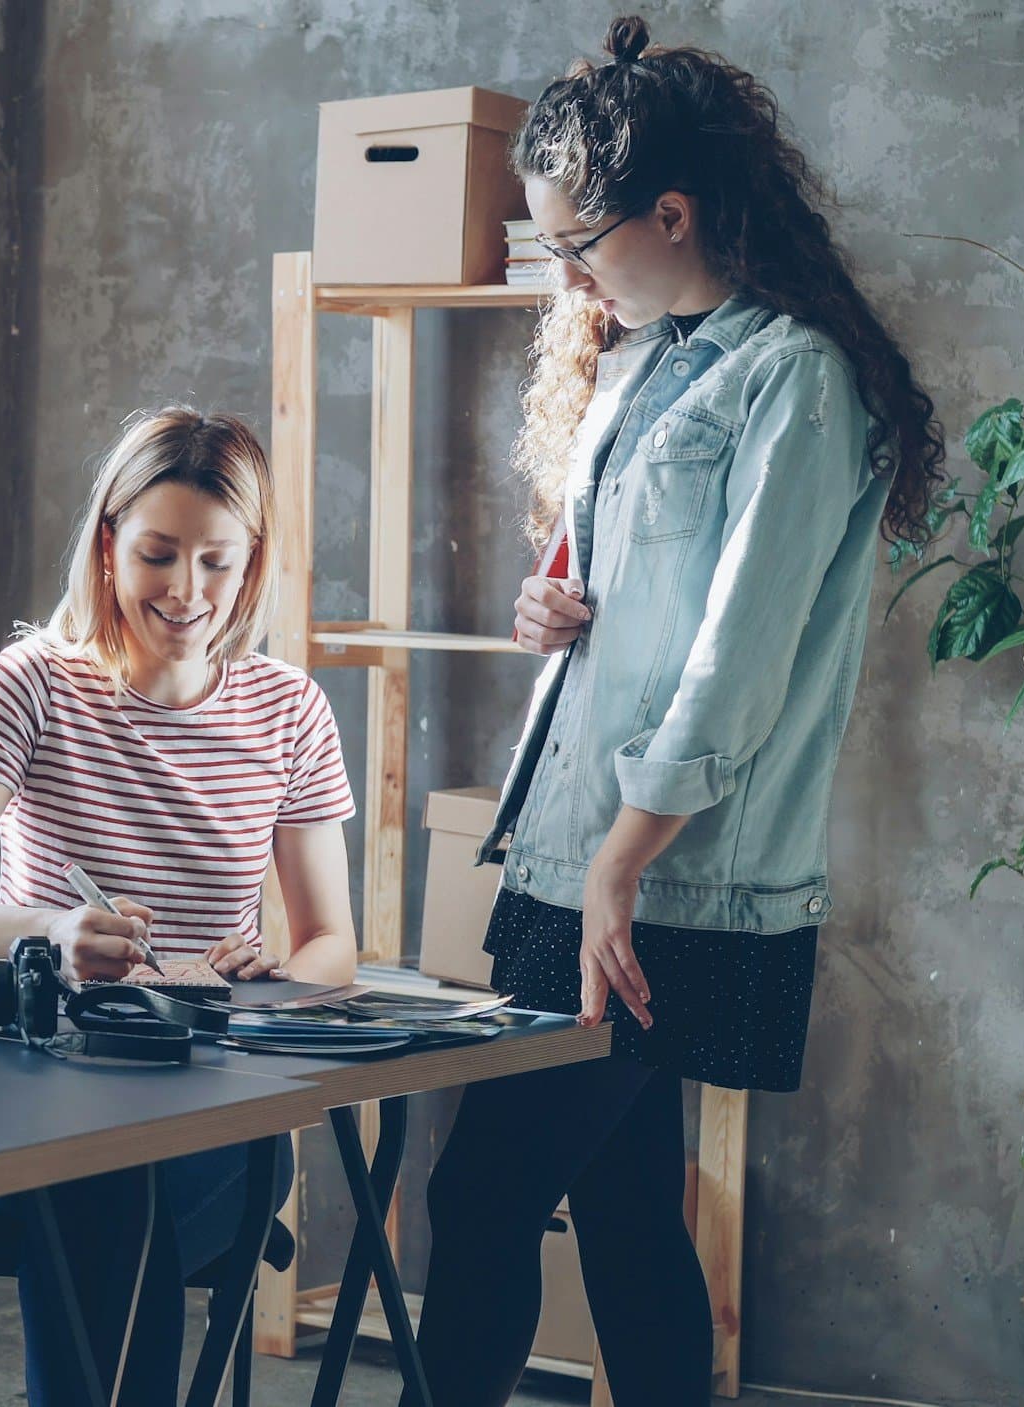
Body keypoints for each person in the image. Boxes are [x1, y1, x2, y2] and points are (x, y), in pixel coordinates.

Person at [411, 15, 944, 1406]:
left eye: (579, 244)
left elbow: (739, 657)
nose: (567, 275)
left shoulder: (798, 379)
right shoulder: (636, 363)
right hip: (582, 851)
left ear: (674, 210)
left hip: (665, 877)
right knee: (623, 1203)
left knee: (482, 1198)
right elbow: (629, 598)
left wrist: (622, 858)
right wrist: (550, 609)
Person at [0, 405, 359, 1404]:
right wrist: (47, 932)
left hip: (209, 1098)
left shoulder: (288, 710)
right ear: (107, 545)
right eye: (158, 554)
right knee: (98, 1178)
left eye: (216, 562)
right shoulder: (36, 685)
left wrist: (273, 981)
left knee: (113, 1184)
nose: (186, 593)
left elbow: (331, 947)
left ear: (252, 561)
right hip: (35, 1093)